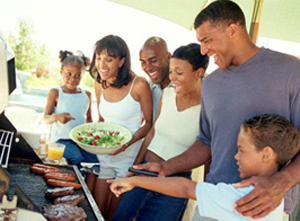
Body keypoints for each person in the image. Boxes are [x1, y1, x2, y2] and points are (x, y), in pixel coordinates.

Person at [133, 1, 300, 220]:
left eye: (207, 40)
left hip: (266, 206)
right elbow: (206, 142)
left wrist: (281, 182)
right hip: (213, 200)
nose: (203, 50)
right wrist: (166, 167)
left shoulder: (290, 71)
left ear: (232, 30)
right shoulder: (211, 84)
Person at [109, 114, 300, 221]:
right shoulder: (275, 198)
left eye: (241, 150)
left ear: (266, 154)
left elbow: (185, 188)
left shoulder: (242, 196)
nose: (235, 156)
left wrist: (133, 180)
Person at [112, 43, 209, 221]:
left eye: (179, 73)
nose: (172, 77)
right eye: (171, 71)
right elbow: (152, 132)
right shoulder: (168, 93)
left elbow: (206, 151)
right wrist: (134, 167)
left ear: (198, 73)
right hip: (145, 172)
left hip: (174, 183)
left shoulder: (208, 109)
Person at [87, 35, 152, 220]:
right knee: (96, 211)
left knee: (114, 216)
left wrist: (127, 143)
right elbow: (101, 119)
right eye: (99, 58)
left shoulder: (139, 84)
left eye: (109, 59)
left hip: (128, 157)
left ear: (122, 61)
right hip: (105, 155)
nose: (102, 65)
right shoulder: (99, 83)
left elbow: (149, 124)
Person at [43, 50, 98, 168]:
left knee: (94, 161)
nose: (73, 79)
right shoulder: (56, 92)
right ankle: (75, 185)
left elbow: (89, 119)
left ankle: (88, 186)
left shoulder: (86, 95)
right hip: (62, 141)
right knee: (77, 158)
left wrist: (91, 130)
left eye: (78, 75)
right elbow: (45, 119)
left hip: (81, 141)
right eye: (69, 73)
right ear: (61, 72)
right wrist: (57, 117)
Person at [139, 36, 171, 121]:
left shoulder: (183, 84)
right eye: (143, 62)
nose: (148, 68)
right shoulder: (148, 86)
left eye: (153, 61)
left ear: (168, 58)